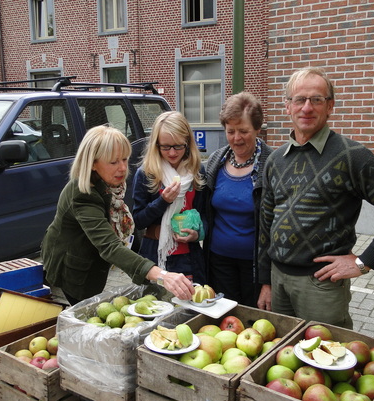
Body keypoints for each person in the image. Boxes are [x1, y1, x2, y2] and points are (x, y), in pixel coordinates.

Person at [259, 66, 374, 328]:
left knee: (328, 359)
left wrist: (363, 262)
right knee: (282, 358)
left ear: (330, 106)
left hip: (321, 286)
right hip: (278, 281)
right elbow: (265, 225)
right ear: (288, 106)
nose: (307, 108)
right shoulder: (275, 160)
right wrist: (265, 282)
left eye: (317, 99)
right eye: (299, 99)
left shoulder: (352, 156)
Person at [41, 125, 194, 305]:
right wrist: (161, 275)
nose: (122, 168)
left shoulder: (112, 185)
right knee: (85, 314)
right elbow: (110, 247)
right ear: (92, 163)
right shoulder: (82, 195)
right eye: (113, 162)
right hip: (74, 271)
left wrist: (147, 272)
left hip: (90, 263)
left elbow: (127, 232)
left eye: (124, 159)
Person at [204, 92, 273, 309]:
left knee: (254, 319)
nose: (236, 138)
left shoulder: (273, 164)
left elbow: (276, 226)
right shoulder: (216, 160)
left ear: (258, 129)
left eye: (243, 131)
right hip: (219, 261)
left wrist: (268, 281)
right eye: (230, 131)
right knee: (224, 318)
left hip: (255, 265)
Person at [132, 111, 208, 283]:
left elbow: (204, 215)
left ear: (187, 143)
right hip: (155, 258)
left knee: (190, 306)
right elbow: (137, 221)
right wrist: (163, 202)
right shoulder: (146, 174)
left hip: (189, 257)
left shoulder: (197, 172)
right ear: (155, 145)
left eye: (178, 146)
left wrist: (197, 234)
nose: (172, 153)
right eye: (165, 147)